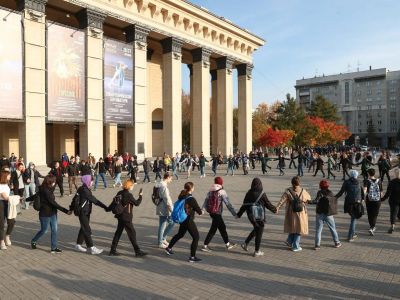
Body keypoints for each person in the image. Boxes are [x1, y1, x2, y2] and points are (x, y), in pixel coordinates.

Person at [236, 178, 277, 256]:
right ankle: (257, 251)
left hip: (251, 216)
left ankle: (245, 243)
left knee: (256, 228)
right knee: (259, 233)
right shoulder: (262, 193)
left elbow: (244, 205)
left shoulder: (248, 193)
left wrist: (239, 214)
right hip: (260, 216)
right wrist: (275, 210)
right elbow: (268, 204)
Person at [31, 175, 71, 253]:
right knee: (44, 230)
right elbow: (54, 203)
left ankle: (53, 247)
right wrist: (66, 211)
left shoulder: (49, 188)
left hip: (53, 213)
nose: (55, 183)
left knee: (54, 230)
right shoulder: (45, 191)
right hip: (44, 214)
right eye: (54, 181)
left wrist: (25, 199)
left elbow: (35, 196)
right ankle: (33, 240)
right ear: (49, 182)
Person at [165, 182, 203, 263]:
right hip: (188, 219)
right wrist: (202, 212)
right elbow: (198, 210)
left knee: (180, 234)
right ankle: (192, 257)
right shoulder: (191, 198)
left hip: (182, 219)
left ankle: (169, 248)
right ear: (191, 188)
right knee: (196, 237)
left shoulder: (182, 196)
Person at [108, 180, 147, 257]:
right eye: (132, 185)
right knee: (132, 233)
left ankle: (112, 250)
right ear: (129, 186)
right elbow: (137, 203)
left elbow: (114, 202)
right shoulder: (129, 195)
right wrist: (140, 196)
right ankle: (137, 251)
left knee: (118, 233)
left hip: (120, 215)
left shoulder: (120, 193)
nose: (133, 186)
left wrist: (107, 208)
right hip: (126, 217)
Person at [71, 175, 108, 254]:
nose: (92, 182)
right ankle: (91, 247)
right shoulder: (85, 191)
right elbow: (95, 200)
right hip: (83, 212)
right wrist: (105, 207)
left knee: (84, 228)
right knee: (87, 229)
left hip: (86, 212)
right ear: (87, 181)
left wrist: (71, 209)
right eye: (91, 181)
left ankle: (78, 245)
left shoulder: (82, 188)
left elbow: (74, 199)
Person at [201, 177, 237, 252]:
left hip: (211, 212)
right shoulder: (222, 192)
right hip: (217, 213)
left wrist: (203, 209)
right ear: (221, 183)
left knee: (222, 228)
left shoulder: (210, 191)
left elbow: (206, 201)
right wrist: (234, 214)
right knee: (213, 230)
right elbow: (228, 204)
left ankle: (227, 244)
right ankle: (205, 245)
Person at [276, 176, 311, 252]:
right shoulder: (303, 191)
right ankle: (295, 246)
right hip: (300, 213)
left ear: (292, 183)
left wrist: (277, 208)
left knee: (293, 227)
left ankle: (289, 241)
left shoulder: (288, 191)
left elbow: (282, 200)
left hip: (291, 212)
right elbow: (309, 199)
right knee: (299, 229)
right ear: (299, 183)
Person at [335, 170, 364, 242]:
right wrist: (362, 199)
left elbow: (341, 192)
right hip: (357, 203)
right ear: (356, 175)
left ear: (350, 175)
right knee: (353, 219)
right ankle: (350, 236)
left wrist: (334, 198)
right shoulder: (359, 182)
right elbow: (362, 192)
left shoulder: (346, 182)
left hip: (349, 203)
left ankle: (352, 234)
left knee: (353, 219)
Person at [313, 180, 341, 250]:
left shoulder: (319, 192)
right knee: (332, 228)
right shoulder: (330, 192)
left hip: (320, 213)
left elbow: (316, 201)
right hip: (328, 214)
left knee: (318, 230)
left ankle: (317, 245)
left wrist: (309, 201)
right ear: (327, 186)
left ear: (320, 186)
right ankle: (337, 242)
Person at [0, 170, 19, 250]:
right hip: (1, 204)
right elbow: (5, 197)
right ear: (5, 176)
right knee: (1, 224)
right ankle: (1, 242)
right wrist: (17, 197)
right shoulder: (0, 186)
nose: (10, 176)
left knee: (11, 221)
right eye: (9, 175)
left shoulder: (7, 184)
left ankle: (7, 236)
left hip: (8, 204)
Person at [156, 173, 174, 248]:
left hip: (160, 206)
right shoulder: (164, 187)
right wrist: (172, 209)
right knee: (169, 223)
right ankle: (161, 241)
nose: (171, 180)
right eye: (171, 178)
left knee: (163, 224)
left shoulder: (159, 184)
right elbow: (167, 199)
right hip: (164, 207)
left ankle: (162, 239)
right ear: (168, 177)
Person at [363, 168, 382, 236]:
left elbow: (365, 190)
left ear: (368, 173)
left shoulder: (366, 181)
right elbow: (381, 192)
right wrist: (380, 199)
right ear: (374, 173)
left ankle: (372, 227)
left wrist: (364, 198)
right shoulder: (379, 181)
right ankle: (372, 227)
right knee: (375, 214)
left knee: (370, 213)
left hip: (369, 200)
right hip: (377, 200)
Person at [381, 168, 400, 233]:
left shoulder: (392, 182)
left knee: (393, 213)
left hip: (393, 200)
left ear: (396, 174)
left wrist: (382, 199)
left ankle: (392, 225)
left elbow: (388, 193)